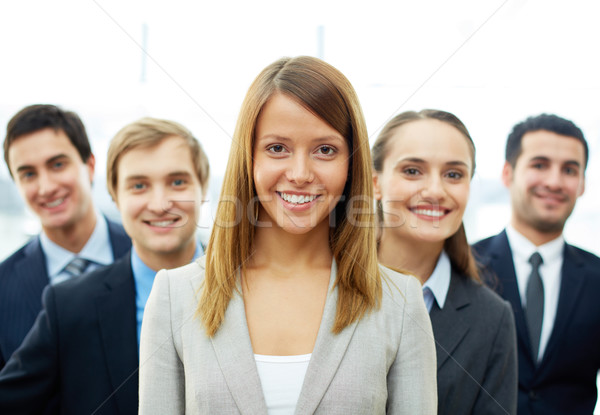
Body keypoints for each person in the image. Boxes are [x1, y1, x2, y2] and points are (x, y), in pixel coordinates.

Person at [138, 56, 437, 414]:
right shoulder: (176, 296)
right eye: (277, 148)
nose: (299, 173)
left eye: (325, 150)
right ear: (249, 158)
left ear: (351, 165)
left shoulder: (400, 303)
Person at [0, 117, 210, 415]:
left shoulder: (253, 290)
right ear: (114, 195)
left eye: (178, 182)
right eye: (138, 185)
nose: (160, 203)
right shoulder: (69, 305)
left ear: (203, 187)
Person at [372, 109, 518, 414]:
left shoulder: (492, 320)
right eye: (412, 171)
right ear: (375, 182)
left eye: (454, 174)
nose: (436, 191)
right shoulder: (322, 286)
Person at [473, 114, 600, 415]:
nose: (554, 182)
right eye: (539, 165)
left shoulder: (598, 278)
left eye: (569, 170)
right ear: (508, 174)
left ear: (582, 184)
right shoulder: (464, 267)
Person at [0, 104, 131, 369]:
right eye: (28, 174)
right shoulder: (3, 285)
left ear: (90, 165)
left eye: (57, 165)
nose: (46, 187)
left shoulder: (149, 257)